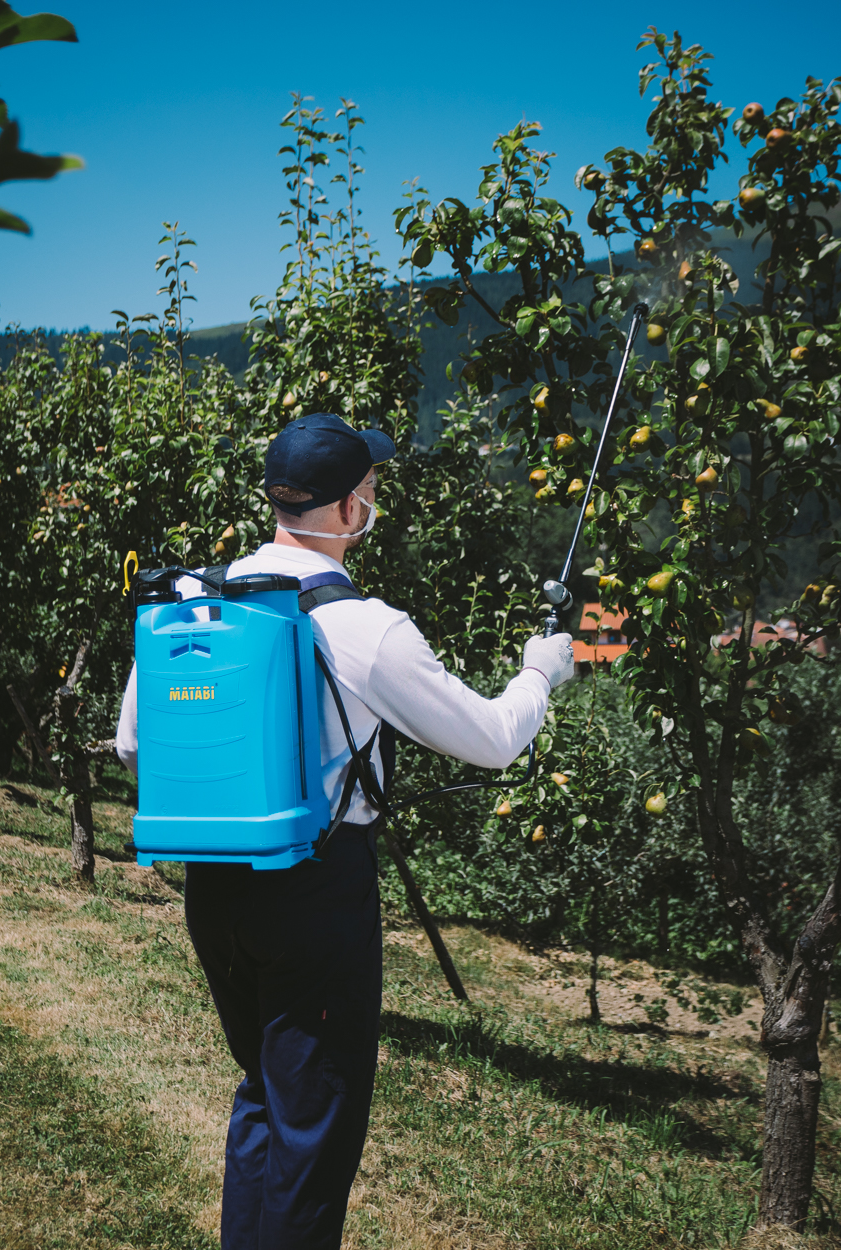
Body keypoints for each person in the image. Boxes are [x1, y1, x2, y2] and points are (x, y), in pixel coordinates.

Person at [114, 412, 576, 1249]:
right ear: (343, 508)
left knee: (263, 1092)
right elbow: (494, 739)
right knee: (314, 1129)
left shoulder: (188, 597)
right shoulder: (365, 625)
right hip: (315, 898)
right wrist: (540, 669)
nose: (374, 499)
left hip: (213, 887)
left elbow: (132, 742)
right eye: (369, 489)